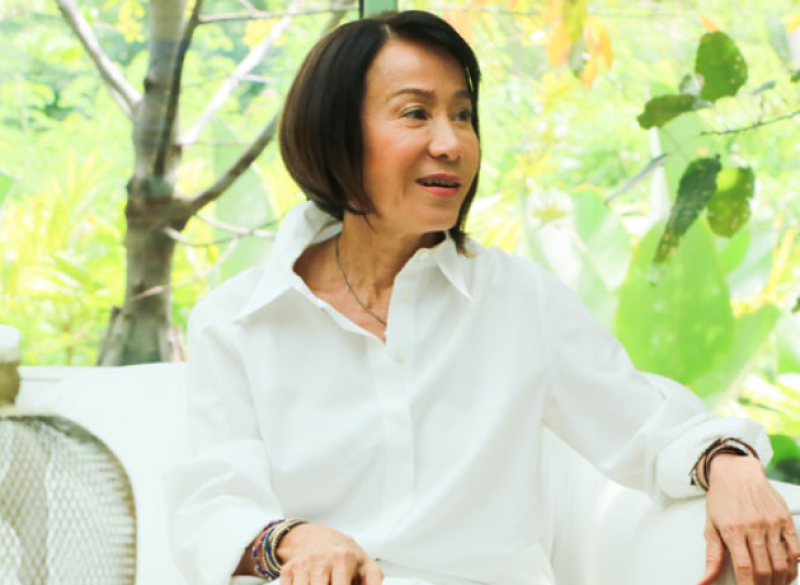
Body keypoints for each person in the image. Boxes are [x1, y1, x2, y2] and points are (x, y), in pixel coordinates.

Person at [166, 10, 800, 585]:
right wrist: (295, 540)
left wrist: (730, 464)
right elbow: (213, 507)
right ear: (335, 135)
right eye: (415, 114)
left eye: (463, 115)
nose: (451, 143)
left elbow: (645, 428)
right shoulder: (238, 320)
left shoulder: (519, 299)